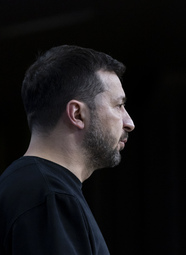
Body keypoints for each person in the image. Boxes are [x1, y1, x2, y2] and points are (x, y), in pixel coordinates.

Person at [0, 45, 135, 254]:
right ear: (78, 114)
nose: (129, 122)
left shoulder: (21, 186)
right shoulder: (51, 197)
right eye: (118, 105)